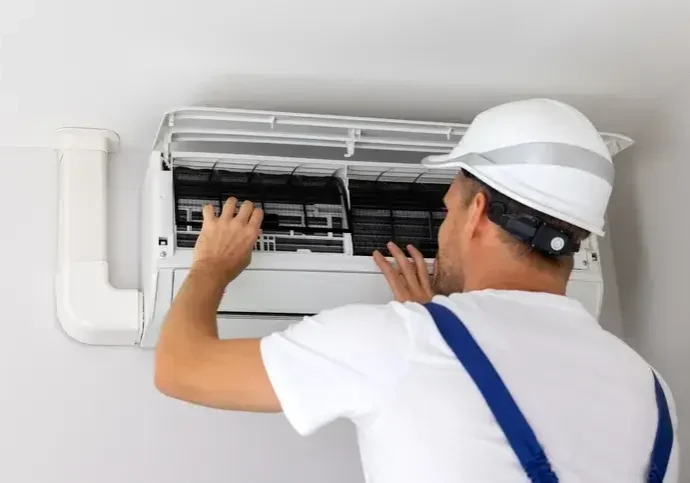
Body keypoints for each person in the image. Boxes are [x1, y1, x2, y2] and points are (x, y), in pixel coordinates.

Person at [154, 99, 679, 482]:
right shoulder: (653, 390)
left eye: (448, 209)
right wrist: (443, 331)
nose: (444, 228)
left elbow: (181, 368)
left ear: (475, 214)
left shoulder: (399, 344)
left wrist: (211, 267)